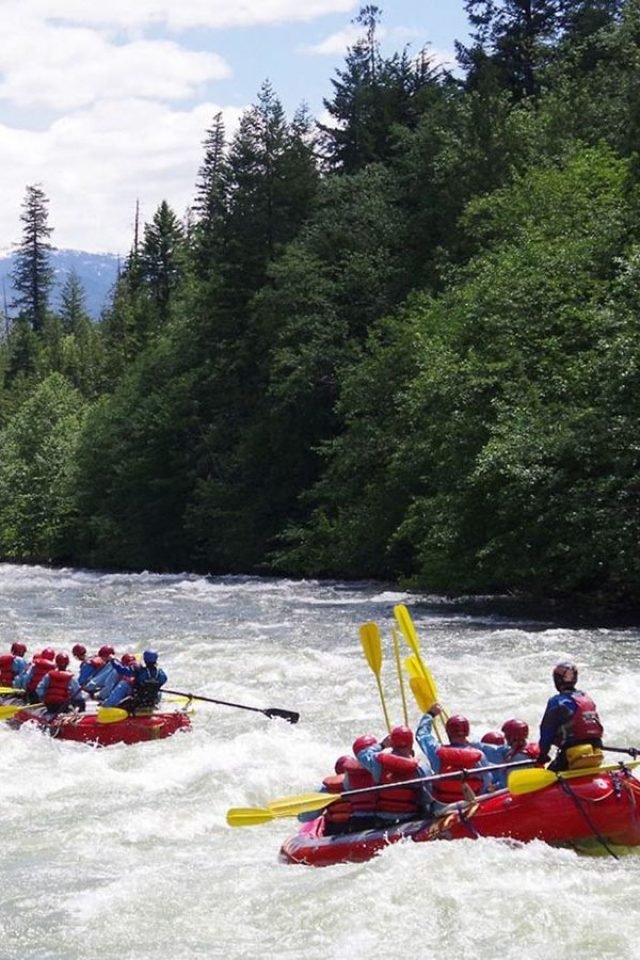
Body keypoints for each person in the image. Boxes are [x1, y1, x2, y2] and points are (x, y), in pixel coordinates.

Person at [357, 725, 434, 824]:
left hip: (382, 819)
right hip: (410, 818)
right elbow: (428, 797)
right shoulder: (421, 767)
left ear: (392, 743)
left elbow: (362, 755)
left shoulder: (378, 763)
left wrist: (382, 745)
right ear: (411, 744)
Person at [416, 706, 493, 804]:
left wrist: (430, 714)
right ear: (467, 732)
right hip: (471, 804)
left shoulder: (436, 752)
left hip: (442, 805)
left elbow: (422, 735)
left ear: (448, 732)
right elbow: (487, 780)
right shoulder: (479, 756)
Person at [538, 662, 604, 771]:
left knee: (550, 774)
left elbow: (546, 732)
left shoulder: (557, 701)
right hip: (596, 749)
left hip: (573, 752)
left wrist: (542, 755)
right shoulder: (586, 697)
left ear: (557, 680)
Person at [475, 719, 540, 788]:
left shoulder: (519, 757)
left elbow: (510, 782)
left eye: (507, 735)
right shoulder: (527, 749)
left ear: (512, 737)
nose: (505, 737)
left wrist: (495, 787)